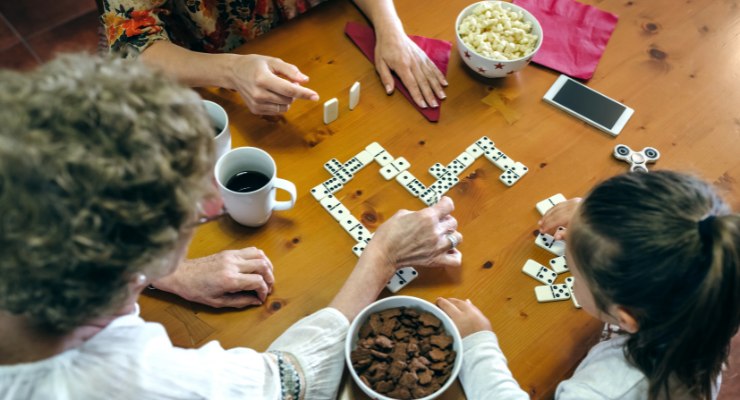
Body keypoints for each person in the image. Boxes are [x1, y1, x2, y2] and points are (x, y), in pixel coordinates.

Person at [0, 54, 462, 400]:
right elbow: (287, 381)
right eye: (193, 213)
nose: (214, 204)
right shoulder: (137, 380)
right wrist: (382, 256)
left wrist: (164, 272)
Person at [437, 171, 739, 400]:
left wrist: (478, 345)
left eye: (573, 271)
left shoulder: (601, 391)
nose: (571, 274)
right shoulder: (713, 290)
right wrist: (595, 232)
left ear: (626, 319)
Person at [100, 0, 448, 115]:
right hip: (205, 77)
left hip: (313, 38)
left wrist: (390, 28)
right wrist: (233, 70)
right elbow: (135, 48)